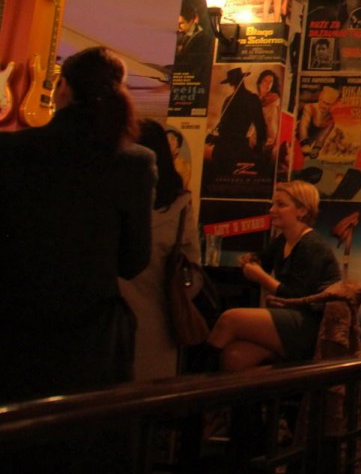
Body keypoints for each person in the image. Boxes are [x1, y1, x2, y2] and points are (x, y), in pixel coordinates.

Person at [0, 47, 155, 402]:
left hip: (14, 328)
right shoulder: (133, 163)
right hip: (88, 340)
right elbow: (133, 262)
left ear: (63, 88)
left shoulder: (9, 150)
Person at [206, 181, 340, 370]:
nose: (272, 210)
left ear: (302, 211)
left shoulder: (312, 245)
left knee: (230, 319)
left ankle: (196, 378)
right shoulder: (283, 240)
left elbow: (297, 297)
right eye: (273, 204)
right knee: (235, 356)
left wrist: (260, 276)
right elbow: (262, 260)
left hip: (311, 326)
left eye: (281, 205)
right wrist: (251, 260)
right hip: (291, 319)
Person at [120, 120, 200, 381]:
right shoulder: (180, 209)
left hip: (108, 328)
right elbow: (193, 275)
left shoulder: (107, 203)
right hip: (159, 324)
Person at [206, 67, 267, 177]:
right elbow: (223, 126)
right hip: (223, 148)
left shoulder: (252, 99)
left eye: (238, 80)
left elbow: (261, 126)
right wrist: (214, 138)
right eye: (235, 80)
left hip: (238, 147)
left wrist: (259, 148)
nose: (237, 83)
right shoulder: (228, 100)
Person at [253, 69, 281, 156]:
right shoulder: (257, 98)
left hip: (271, 134)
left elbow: (262, 104)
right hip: (258, 135)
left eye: (270, 82)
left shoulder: (274, 97)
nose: (268, 84)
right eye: (265, 81)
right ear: (260, 82)